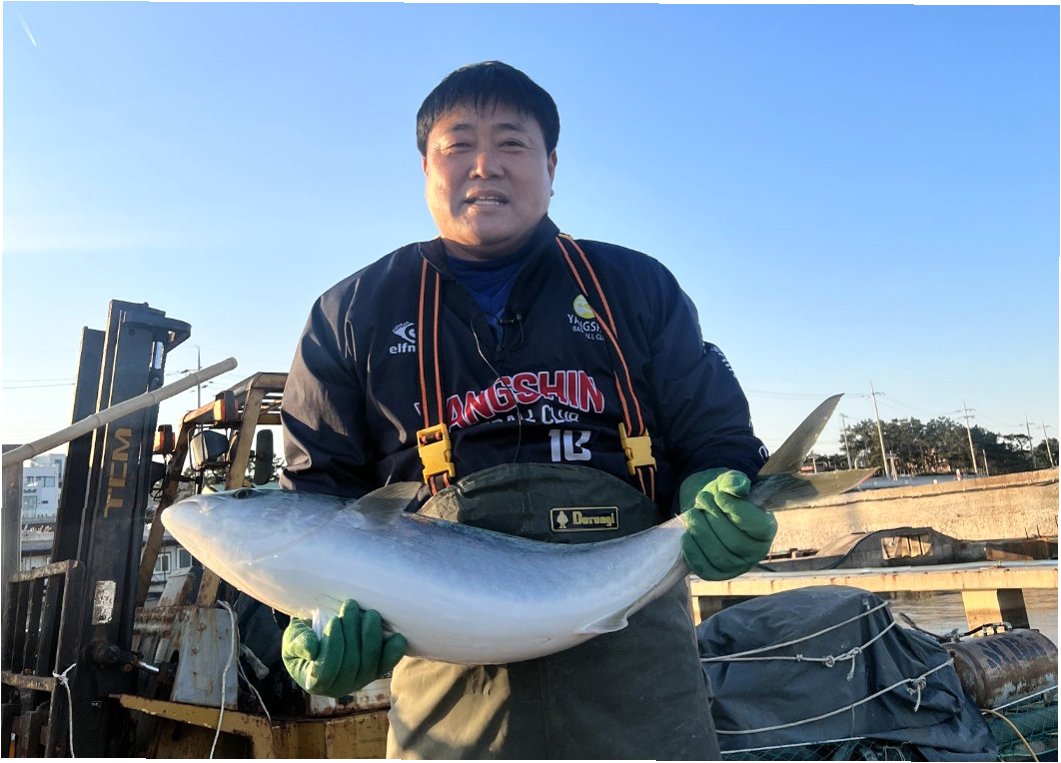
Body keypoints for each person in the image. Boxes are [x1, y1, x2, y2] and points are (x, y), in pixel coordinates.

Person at [279, 60, 777, 760]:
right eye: (458, 145)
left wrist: (718, 490)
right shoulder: (351, 313)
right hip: (452, 713)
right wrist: (310, 616)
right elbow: (316, 500)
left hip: (643, 692)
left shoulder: (634, 286)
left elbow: (716, 436)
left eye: (511, 143)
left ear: (550, 167)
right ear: (425, 168)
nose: (485, 165)